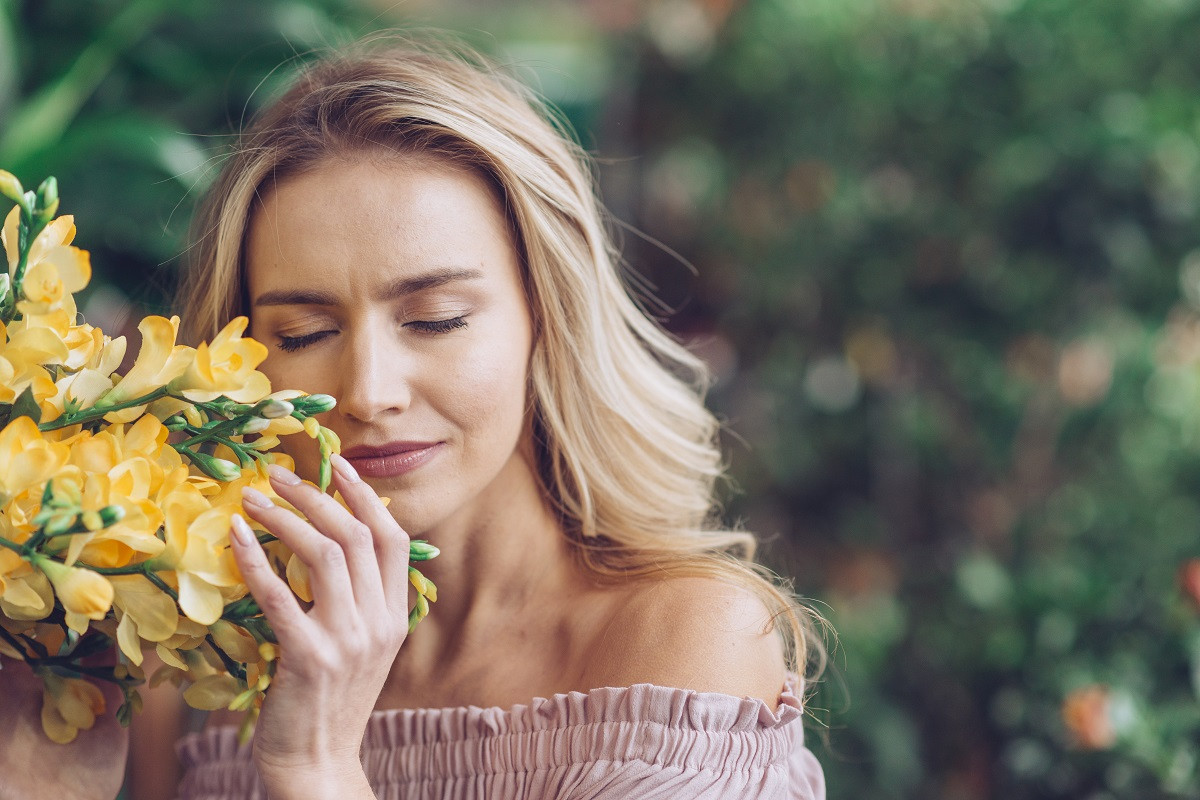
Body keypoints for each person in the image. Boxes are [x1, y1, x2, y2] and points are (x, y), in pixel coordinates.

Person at [1, 35, 826, 800]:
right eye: (305, 333)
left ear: (547, 317)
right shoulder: (206, 680)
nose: (367, 391)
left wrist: (317, 763)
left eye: (435, 318)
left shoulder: (681, 645)